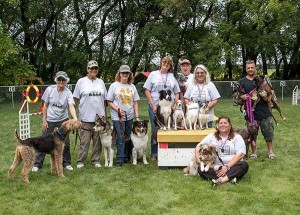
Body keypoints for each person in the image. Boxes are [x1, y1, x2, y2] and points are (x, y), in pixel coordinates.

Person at [32, 71, 78, 172]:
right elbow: (45, 105)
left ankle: (67, 163)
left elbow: (71, 106)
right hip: (50, 119)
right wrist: (44, 120)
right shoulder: (49, 89)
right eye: (59, 79)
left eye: (63, 80)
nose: (61, 81)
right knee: (43, 141)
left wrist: (75, 118)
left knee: (65, 142)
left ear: (66, 81)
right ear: (56, 80)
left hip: (63, 120)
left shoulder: (68, 92)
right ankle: (37, 164)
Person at [143, 56, 180, 160]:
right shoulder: (153, 74)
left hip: (169, 107)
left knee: (169, 126)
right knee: (156, 128)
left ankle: (167, 151)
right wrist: (153, 105)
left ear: (171, 65)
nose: (166, 64)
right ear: (160, 63)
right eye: (164, 62)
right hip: (155, 106)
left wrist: (174, 105)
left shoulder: (172, 76)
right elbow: (147, 90)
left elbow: (177, 92)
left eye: (168, 63)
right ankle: (154, 153)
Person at [196, 115, 249, 186]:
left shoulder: (237, 137)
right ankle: (230, 177)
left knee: (244, 165)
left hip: (232, 166)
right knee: (200, 169)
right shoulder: (212, 136)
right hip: (215, 167)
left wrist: (227, 167)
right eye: (220, 123)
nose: (223, 124)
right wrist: (200, 162)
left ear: (230, 126)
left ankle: (222, 180)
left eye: (225, 123)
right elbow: (198, 147)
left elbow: (240, 154)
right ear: (217, 126)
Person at [238, 60, 275, 159]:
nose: (250, 69)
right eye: (248, 68)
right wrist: (242, 97)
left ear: (255, 68)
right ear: (246, 69)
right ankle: (254, 152)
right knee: (252, 133)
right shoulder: (241, 82)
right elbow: (235, 95)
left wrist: (266, 96)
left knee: (268, 132)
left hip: (264, 111)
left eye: (252, 67)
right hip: (250, 113)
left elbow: (271, 91)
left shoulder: (263, 79)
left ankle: (270, 152)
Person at [73, 60, 107, 168]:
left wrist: (104, 115)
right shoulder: (81, 82)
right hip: (85, 117)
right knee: (85, 141)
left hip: (99, 119)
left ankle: (95, 160)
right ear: (87, 69)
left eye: (95, 68)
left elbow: (105, 100)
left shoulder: (101, 82)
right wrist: (74, 117)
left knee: (98, 141)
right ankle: (80, 161)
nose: (93, 70)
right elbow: (75, 99)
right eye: (91, 68)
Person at [106, 65, 140, 166]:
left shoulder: (132, 86)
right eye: (123, 73)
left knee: (128, 136)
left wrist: (137, 116)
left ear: (130, 74)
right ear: (119, 74)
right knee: (120, 137)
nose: (125, 75)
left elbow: (135, 103)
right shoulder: (114, 86)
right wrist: (118, 109)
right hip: (118, 117)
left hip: (129, 116)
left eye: (127, 73)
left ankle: (125, 157)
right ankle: (119, 159)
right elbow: (109, 101)